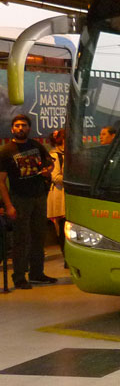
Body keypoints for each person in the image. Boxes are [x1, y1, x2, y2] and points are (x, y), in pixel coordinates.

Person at [0, 114, 57, 289]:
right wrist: (8, 205)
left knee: (38, 236)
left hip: (39, 196)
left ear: (28, 128)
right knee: (21, 239)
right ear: (12, 129)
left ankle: (37, 273)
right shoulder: (6, 151)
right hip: (20, 199)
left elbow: (50, 163)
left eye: (23, 125)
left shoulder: (36, 145)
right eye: (17, 125)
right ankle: (19, 277)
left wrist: (48, 170)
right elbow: (1, 181)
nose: (20, 128)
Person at [47, 129, 67, 267]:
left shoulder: (70, 154)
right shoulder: (54, 155)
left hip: (69, 195)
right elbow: (55, 178)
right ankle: (67, 257)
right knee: (62, 227)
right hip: (59, 196)